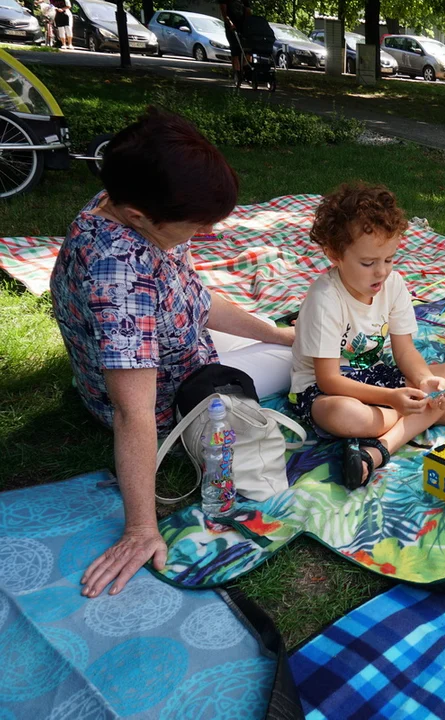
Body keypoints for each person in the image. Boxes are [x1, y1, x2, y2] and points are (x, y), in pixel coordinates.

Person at [50, 109, 296, 598]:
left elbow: (192, 299)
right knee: (316, 360)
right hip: (174, 391)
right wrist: (142, 527)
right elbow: (132, 410)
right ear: (142, 215)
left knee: (291, 342)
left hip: (178, 345)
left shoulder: (119, 198)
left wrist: (276, 333)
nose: (203, 235)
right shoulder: (121, 276)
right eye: (195, 225)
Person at [289, 182, 445, 489]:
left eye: (390, 259)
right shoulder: (324, 298)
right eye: (368, 263)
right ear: (334, 254)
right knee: (345, 414)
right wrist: (394, 399)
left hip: (373, 377)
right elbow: (328, 380)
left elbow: (404, 352)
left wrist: (424, 382)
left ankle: (380, 448)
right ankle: (434, 415)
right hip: (323, 390)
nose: (381, 272)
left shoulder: (393, 285)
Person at [220, 0, 250, 77]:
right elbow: (224, 13)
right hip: (231, 28)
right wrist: (230, 23)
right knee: (235, 50)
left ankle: (246, 70)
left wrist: (248, 23)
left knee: (247, 49)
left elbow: (248, 12)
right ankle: (236, 73)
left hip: (243, 27)